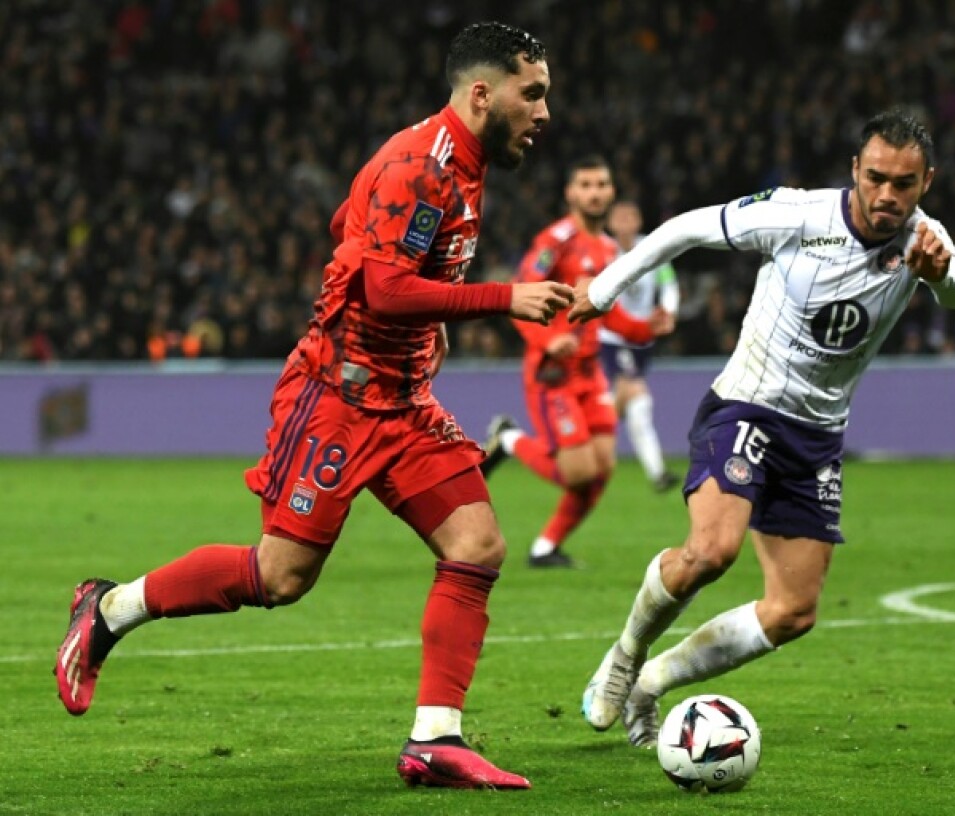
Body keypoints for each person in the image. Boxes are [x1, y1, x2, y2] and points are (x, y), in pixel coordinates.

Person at [54, 22, 571, 791]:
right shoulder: (420, 166)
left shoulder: (461, 162)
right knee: (280, 577)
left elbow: (349, 232)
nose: (544, 113)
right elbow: (383, 286)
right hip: (337, 397)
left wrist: (421, 327)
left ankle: (435, 739)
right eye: (533, 94)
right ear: (482, 93)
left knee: (477, 543)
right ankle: (108, 611)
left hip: (402, 403)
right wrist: (505, 300)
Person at [569, 109, 955, 748]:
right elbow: (685, 229)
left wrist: (939, 272)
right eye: (876, 179)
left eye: (904, 183)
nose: (887, 195)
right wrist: (604, 290)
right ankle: (622, 658)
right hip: (747, 407)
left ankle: (653, 680)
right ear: (855, 172)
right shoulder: (798, 214)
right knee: (711, 553)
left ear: (927, 182)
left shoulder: (925, 239)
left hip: (816, 438)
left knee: (793, 612)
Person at [480, 157, 666, 568]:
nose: (595, 192)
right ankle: (509, 439)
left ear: (612, 191)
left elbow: (606, 313)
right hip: (552, 375)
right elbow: (518, 295)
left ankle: (545, 548)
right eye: (585, 184)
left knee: (601, 469)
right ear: (570, 193)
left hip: (589, 372)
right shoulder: (556, 240)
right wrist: (550, 339)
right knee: (579, 473)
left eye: (601, 184)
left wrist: (645, 329)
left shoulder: (607, 248)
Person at [598, 200, 681, 493]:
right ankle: (656, 471)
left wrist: (668, 312)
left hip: (643, 339)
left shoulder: (653, 247)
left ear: (638, 220)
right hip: (613, 338)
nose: (625, 222)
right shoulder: (603, 250)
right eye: (619, 217)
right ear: (610, 222)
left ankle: (591, 444)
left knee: (631, 406)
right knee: (636, 394)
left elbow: (668, 283)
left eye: (630, 216)